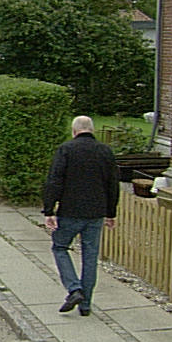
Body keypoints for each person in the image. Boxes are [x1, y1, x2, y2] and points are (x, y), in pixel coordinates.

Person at [41, 115, 120, 316]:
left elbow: (54, 180)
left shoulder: (66, 150)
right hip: (96, 213)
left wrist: (49, 210)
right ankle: (85, 305)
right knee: (90, 256)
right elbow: (113, 184)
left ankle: (74, 288)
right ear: (92, 130)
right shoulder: (105, 151)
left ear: (74, 131)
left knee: (60, 247)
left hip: (70, 211)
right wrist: (111, 213)